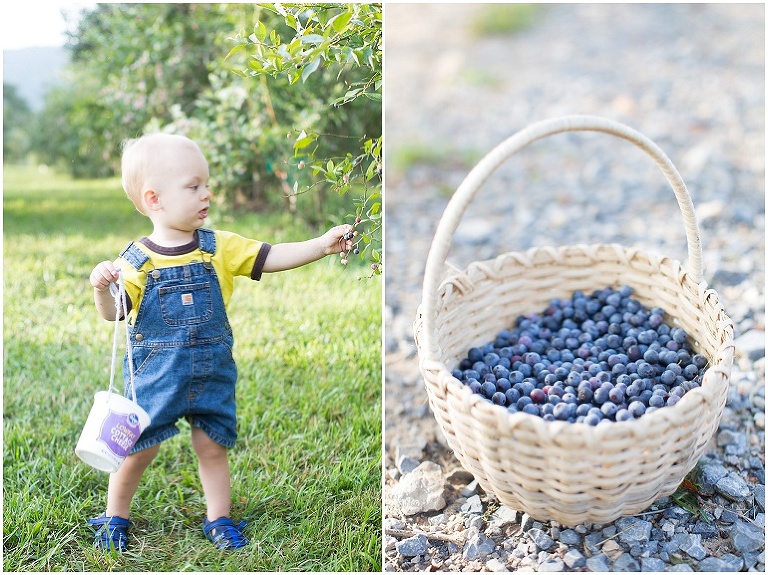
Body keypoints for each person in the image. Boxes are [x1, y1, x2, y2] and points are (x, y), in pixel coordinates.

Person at [87, 133, 354, 551]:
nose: (206, 193)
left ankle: (219, 519)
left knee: (212, 445)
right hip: (155, 377)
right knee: (138, 450)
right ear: (154, 198)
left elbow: (271, 255)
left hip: (211, 372)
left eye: (206, 184)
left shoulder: (219, 247)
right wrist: (102, 288)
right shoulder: (135, 260)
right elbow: (114, 313)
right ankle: (114, 516)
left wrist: (321, 245)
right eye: (193, 186)